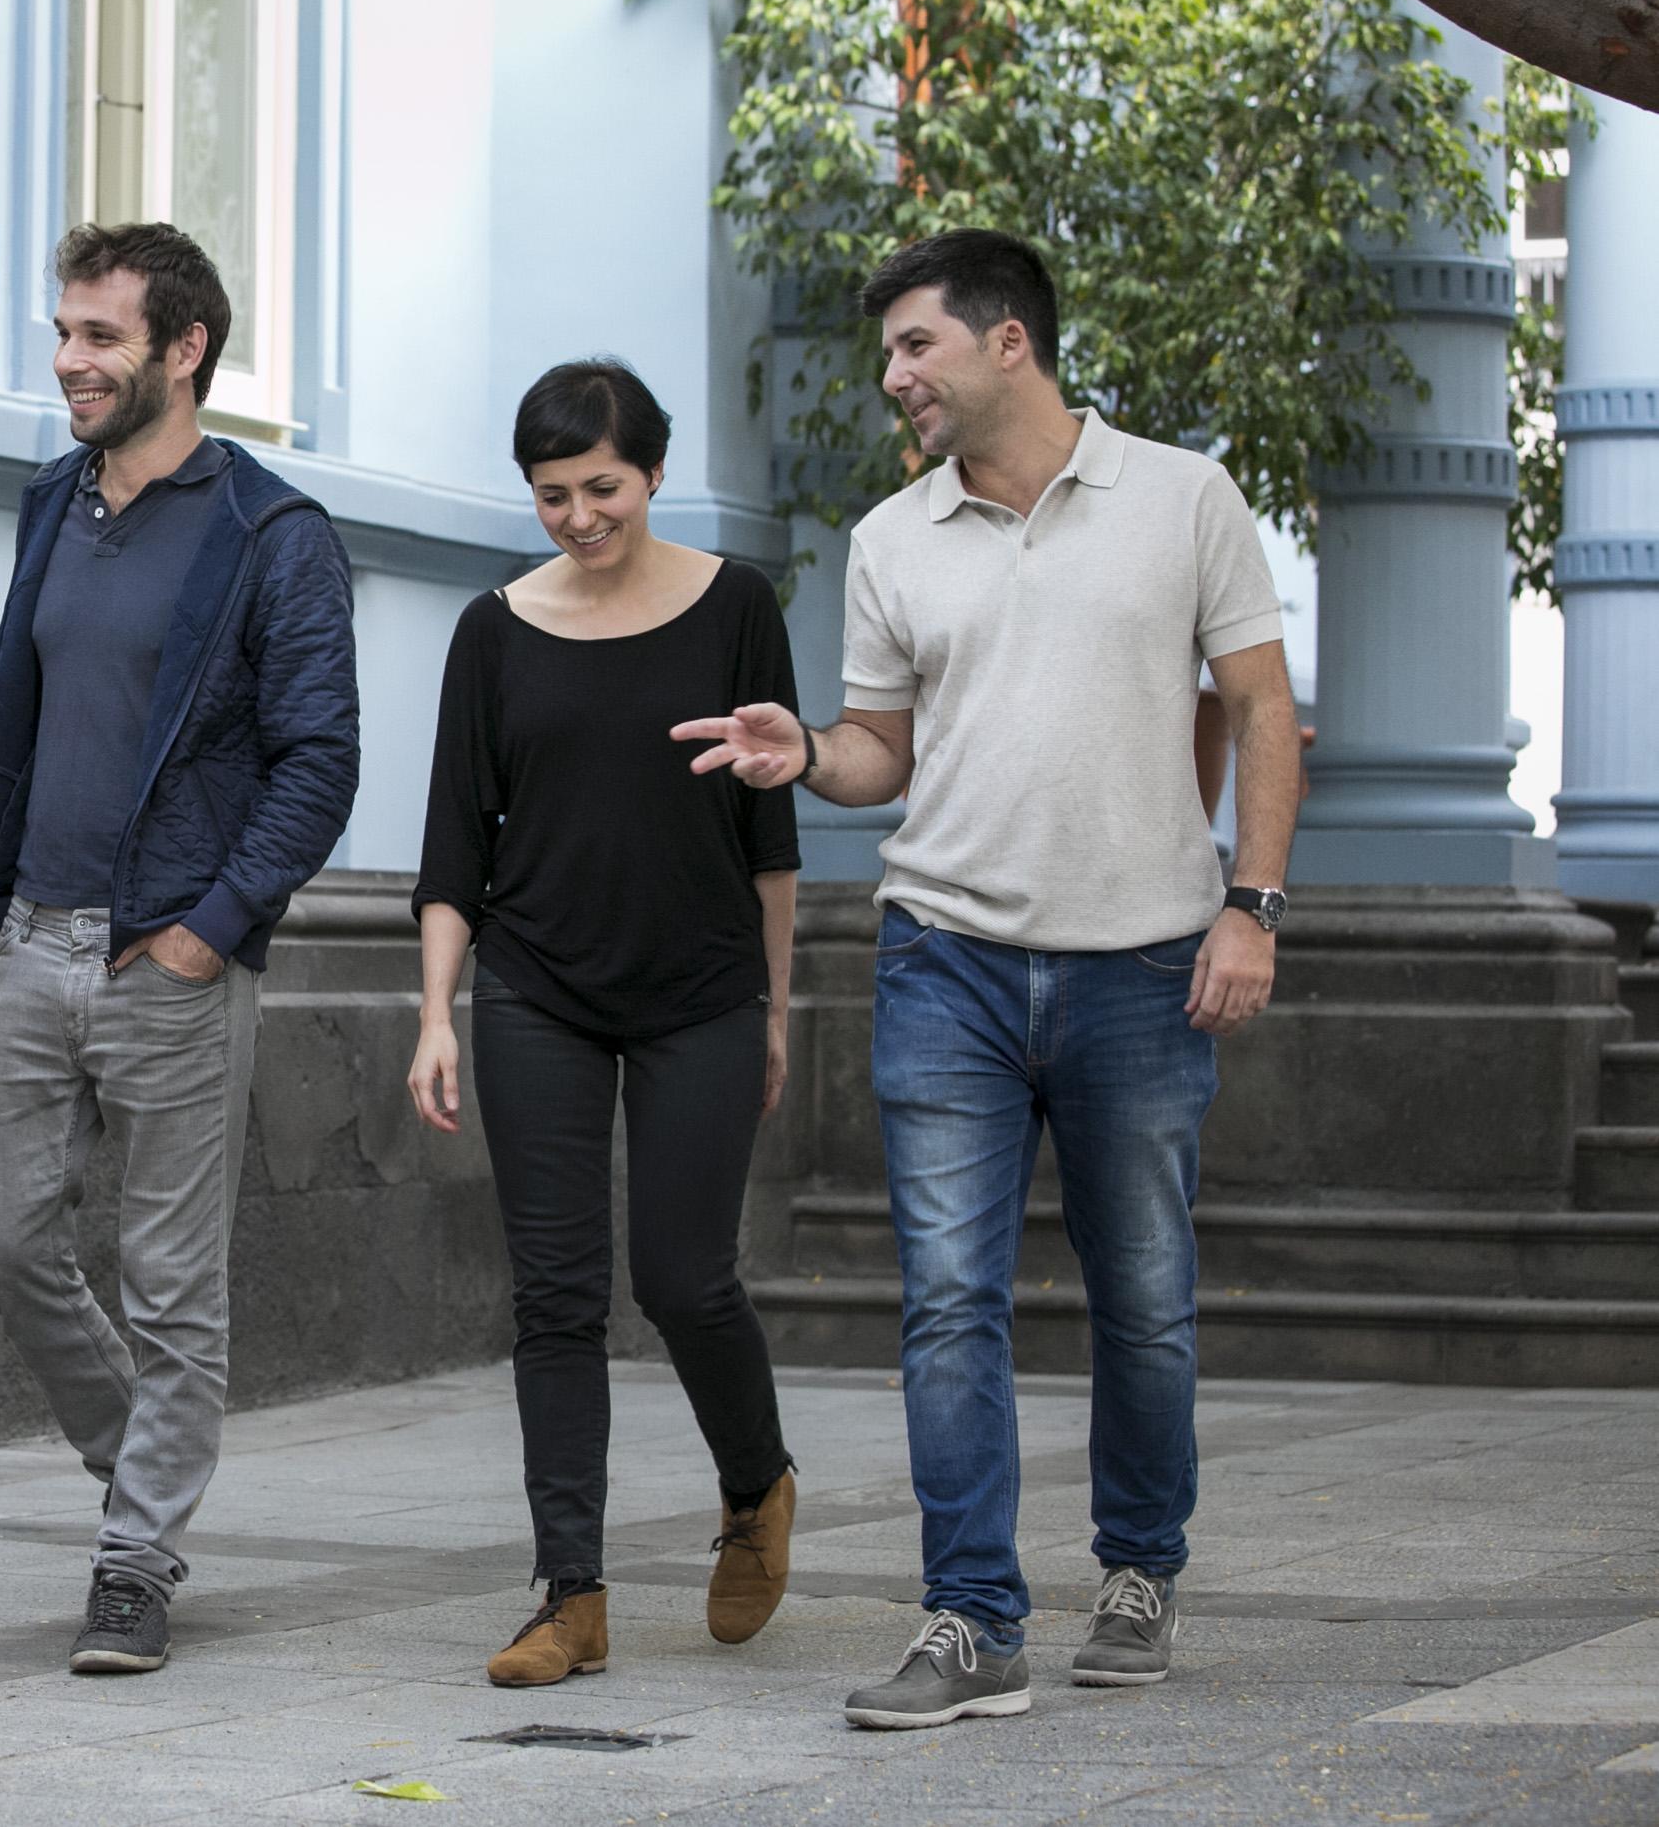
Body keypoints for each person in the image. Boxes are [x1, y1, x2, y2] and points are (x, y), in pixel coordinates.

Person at [679, 228, 1301, 1729]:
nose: (896, 377)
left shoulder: (1183, 498)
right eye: (892, 352)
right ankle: (972, 1618)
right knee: (948, 1303)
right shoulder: (898, 538)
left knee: (1143, 1298)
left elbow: (1263, 710)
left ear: (1006, 338)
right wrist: (809, 755)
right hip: (943, 956)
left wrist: (1251, 909)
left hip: (1145, 964)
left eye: (915, 347)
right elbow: (884, 744)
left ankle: (1141, 1573)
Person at [0, 221, 361, 1675]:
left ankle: (136, 1559)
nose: (67, 360)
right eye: (63, 332)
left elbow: (320, 760)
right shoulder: (52, 507)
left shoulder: (271, 533)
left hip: (168, 956)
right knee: (4, 1240)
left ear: (183, 349)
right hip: (35, 938)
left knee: (170, 1280)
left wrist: (210, 932)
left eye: (99, 337)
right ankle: (149, 1466)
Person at [405, 359, 803, 1690]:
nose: (578, 518)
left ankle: (758, 1486)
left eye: (603, 489)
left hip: (701, 988)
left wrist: (778, 1009)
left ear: (653, 472)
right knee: (557, 1297)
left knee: (686, 1277)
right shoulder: (495, 629)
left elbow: (771, 839)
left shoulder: (736, 605)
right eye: (551, 495)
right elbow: (455, 845)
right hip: (539, 990)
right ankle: (569, 1595)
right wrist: (435, 1015)